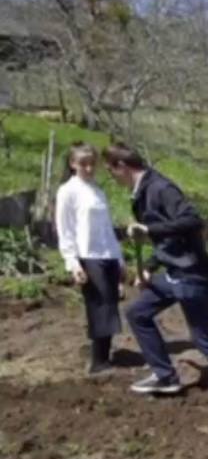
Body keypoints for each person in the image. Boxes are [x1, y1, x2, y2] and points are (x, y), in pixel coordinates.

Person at [102, 143, 208, 411]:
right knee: (138, 313)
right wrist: (149, 266)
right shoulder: (142, 192)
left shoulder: (160, 188)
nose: (112, 178)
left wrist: (148, 228)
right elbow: (169, 239)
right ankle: (165, 376)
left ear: (121, 167)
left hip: (192, 272)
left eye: (111, 171)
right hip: (175, 271)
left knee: (203, 336)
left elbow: (193, 221)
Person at [54, 142, 125, 375]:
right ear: (73, 164)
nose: (88, 168)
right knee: (99, 306)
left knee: (111, 305)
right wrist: (73, 263)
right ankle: (97, 362)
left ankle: (105, 356)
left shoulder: (98, 191)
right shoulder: (68, 191)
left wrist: (120, 259)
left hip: (107, 255)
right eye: (83, 163)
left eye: (92, 164)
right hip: (88, 255)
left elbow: (107, 229)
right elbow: (65, 230)